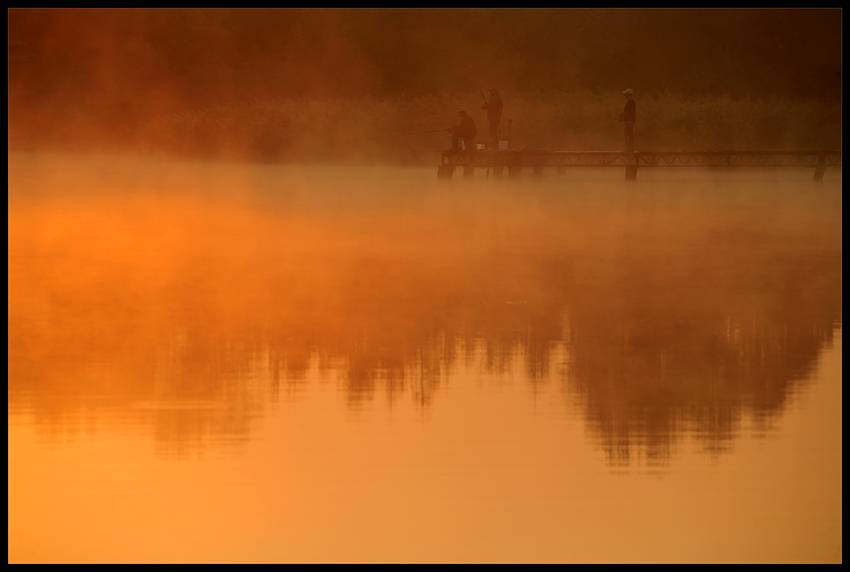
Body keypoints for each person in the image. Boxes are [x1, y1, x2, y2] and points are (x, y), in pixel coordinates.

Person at [619, 88, 636, 153]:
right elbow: (627, 112)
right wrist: (622, 115)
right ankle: (629, 149)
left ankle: (629, 149)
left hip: (629, 121)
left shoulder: (630, 102)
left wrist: (622, 116)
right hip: (629, 121)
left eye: (626, 94)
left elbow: (628, 113)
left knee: (628, 135)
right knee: (628, 135)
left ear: (629, 95)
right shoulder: (631, 102)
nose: (625, 96)